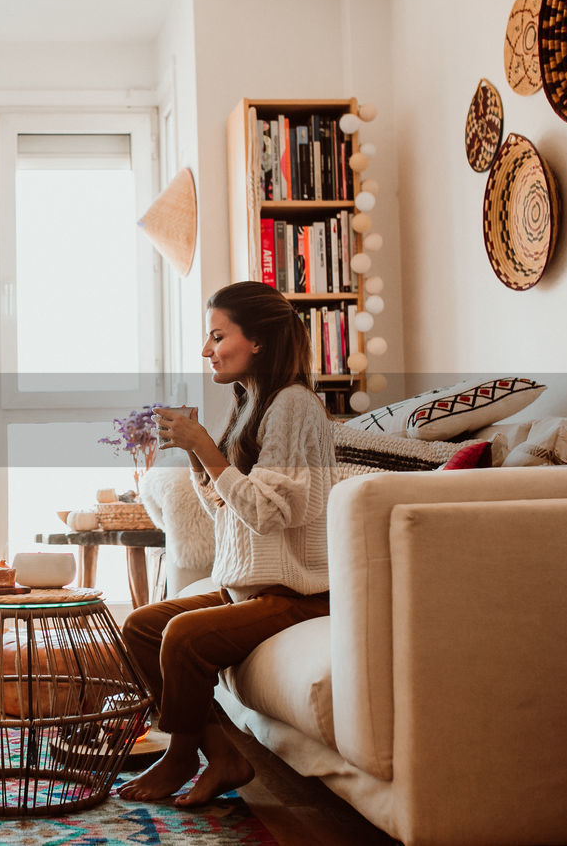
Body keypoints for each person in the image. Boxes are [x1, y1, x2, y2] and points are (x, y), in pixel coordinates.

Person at [119, 280, 337, 807]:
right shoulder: (251, 402)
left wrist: (206, 451)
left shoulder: (293, 404)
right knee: (141, 627)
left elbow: (270, 511)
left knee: (182, 638)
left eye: (217, 336)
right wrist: (200, 454)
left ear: (257, 341)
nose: (206, 349)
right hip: (250, 586)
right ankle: (222, 756)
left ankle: (181, 756)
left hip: (297, 594)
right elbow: (226, 505)